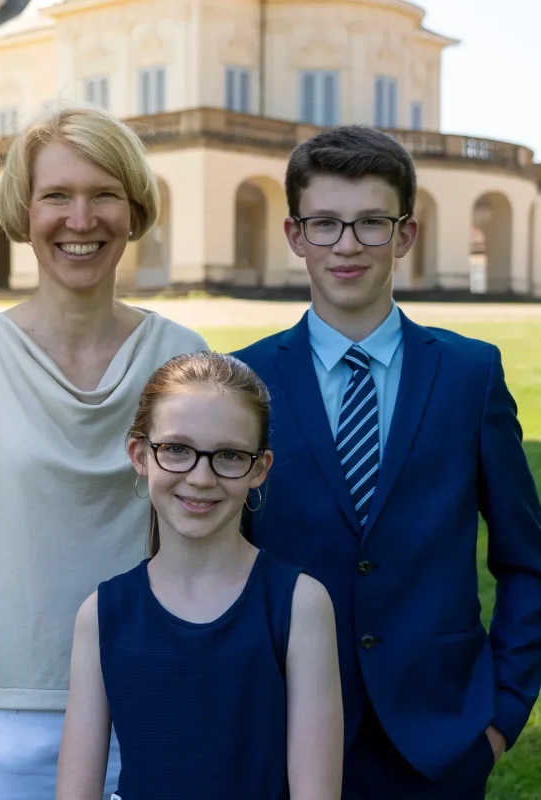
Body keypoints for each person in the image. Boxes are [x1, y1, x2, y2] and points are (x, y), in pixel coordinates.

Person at [0, 106, 207, 800]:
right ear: (23, 211)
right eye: (57, 196)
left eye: (104, 195)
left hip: (150, 708)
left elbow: (219, 547)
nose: (81, 218)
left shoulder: (186, 362)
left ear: (133, 212)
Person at [232, 125, 541, 799]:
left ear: (405, 234)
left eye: (372, 223)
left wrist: (502, 714)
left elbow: (527, 561)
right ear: (294, 235)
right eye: (326, 224)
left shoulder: (471, 375)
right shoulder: (240, 381)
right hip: (281, 733)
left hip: (441, 741)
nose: (347, 245)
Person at [56, 351, 344, 800]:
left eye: (228, 455)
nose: (201, 477)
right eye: (177, 450)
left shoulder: (299, 605)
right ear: (140, 455)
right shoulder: (103, 615)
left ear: (259, 469)